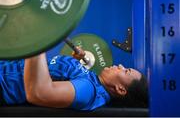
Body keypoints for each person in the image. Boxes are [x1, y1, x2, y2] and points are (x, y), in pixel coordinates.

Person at [0, 47, 148, 110]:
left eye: (126, 71)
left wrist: (38, 44)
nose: (121, 65)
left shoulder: (89, 91)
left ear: (121, 89)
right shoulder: (93, 81)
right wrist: (75, 61)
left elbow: (39, 93)